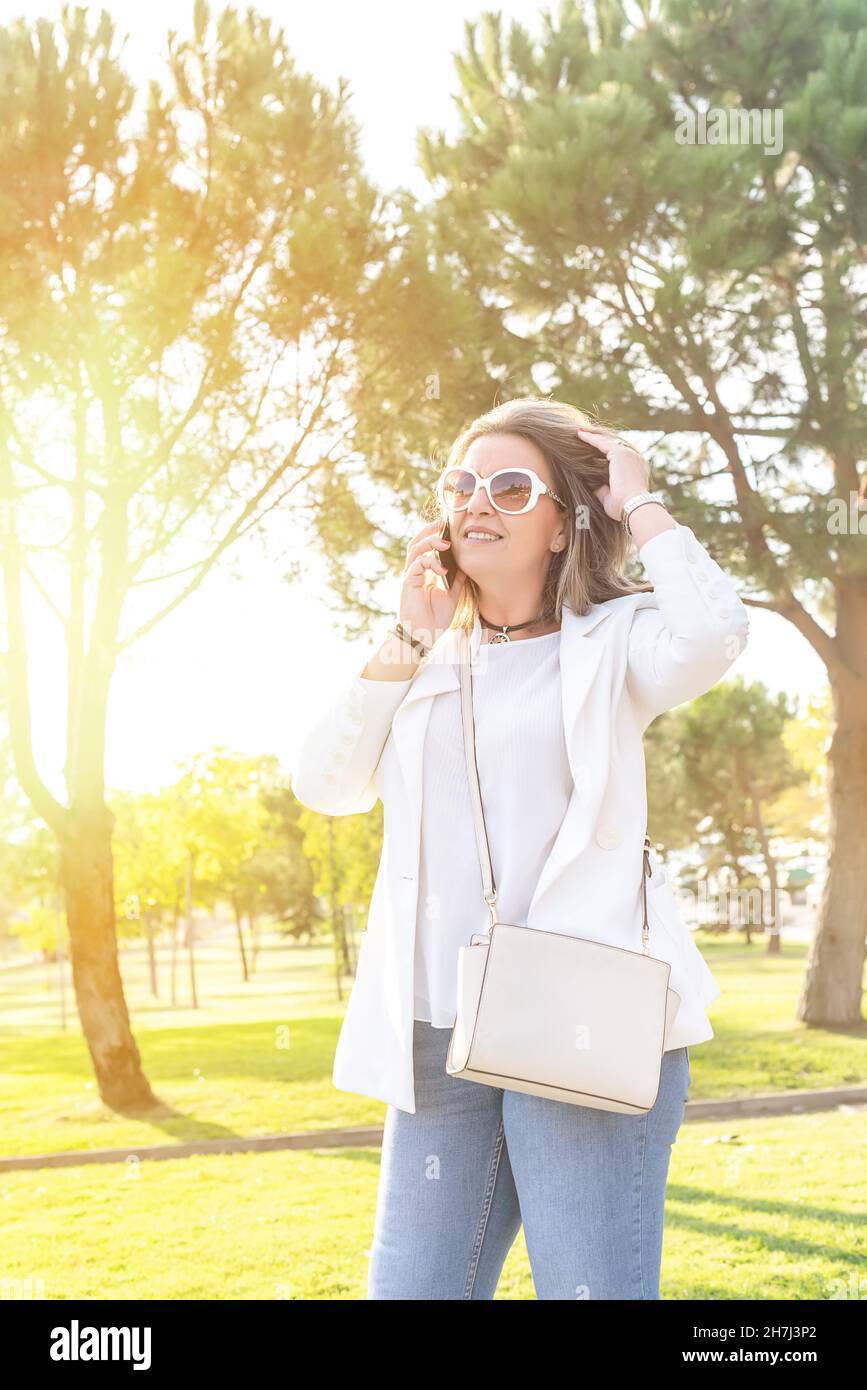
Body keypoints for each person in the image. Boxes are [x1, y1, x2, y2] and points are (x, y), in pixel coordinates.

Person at [291, 397, 750, 1299]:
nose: (477, 503)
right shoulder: (420, 656)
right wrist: (406, 632)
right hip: (434, 1031)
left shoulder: (616, 644)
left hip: (579, 1019)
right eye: (460, 484)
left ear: (559, 524)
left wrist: (638, 503)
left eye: (509, 486)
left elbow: (714, 633)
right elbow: (327, 784)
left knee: (591, 1289)